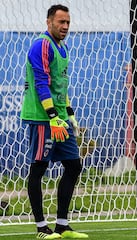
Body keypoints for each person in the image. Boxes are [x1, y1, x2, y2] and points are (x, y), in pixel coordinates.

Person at [20, 4, 88, 239]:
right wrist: (52, 117)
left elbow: (61, 85)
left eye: (68, 22)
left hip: (59, 118)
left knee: (73, 165)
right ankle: (41, 228)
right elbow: (41, 83)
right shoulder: (42, 45)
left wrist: (69, 115)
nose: (65, 26)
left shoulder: (63, 47)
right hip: (42, 118)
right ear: (49, 22)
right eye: (61, 22)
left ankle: (62, 225)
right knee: (39, 168)